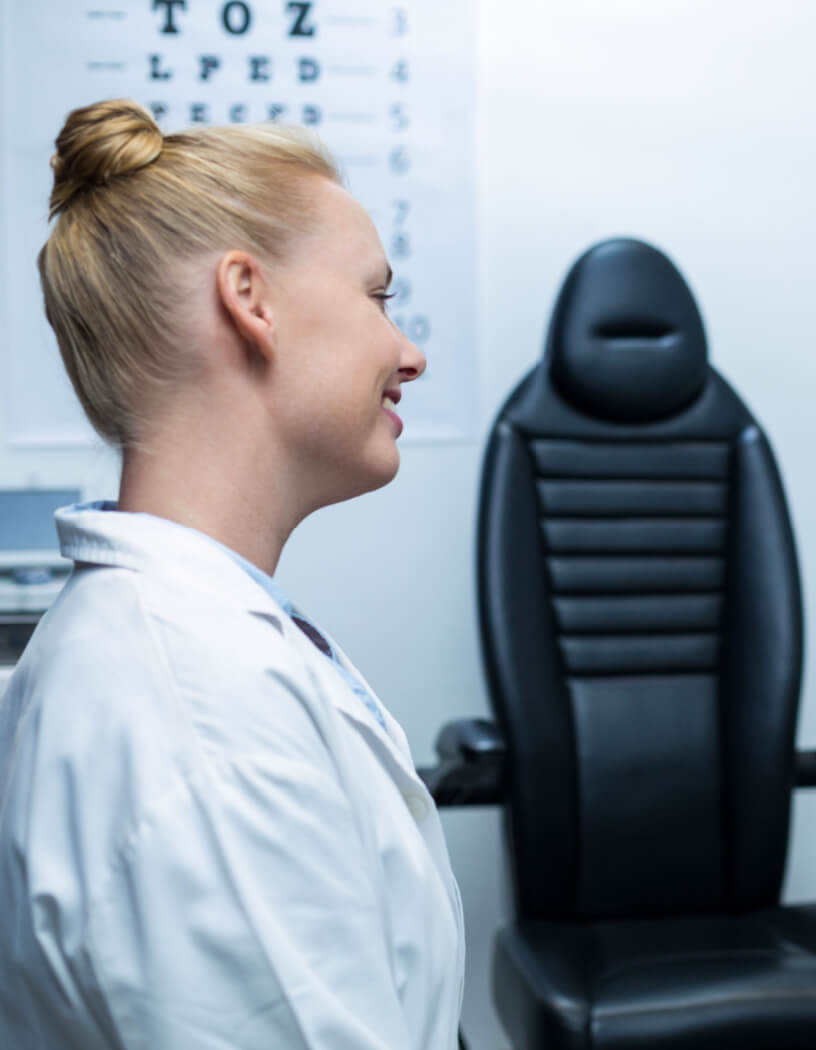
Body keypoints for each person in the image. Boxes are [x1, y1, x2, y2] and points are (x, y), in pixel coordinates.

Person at [0, 99, 464, 1049]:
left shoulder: (187, 647)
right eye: (377, 297)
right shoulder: (198, 711)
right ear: (250, 299)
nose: (409, 353)